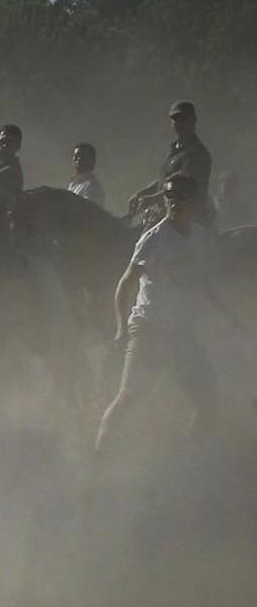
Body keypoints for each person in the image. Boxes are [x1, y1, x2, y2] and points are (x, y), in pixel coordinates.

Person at [95, 173, 241, 451]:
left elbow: (201, 282)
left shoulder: (197, 236)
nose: (175, 203)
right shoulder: (154, 238)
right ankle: (98, 461)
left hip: (179, 334)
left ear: (193, 202)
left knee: (207, 400)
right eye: (170, 198)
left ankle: (187, 458)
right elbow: (125, 284)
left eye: (181, 198)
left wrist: (227, 314)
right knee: (127, 397)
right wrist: (121, 329)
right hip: (148, 329)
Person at [129, 101, 213, 225]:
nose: (179, 123)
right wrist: (144, 192)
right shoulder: (173, 150)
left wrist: (153, 198)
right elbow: (165, 180)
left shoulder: (197, 153)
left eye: (183, 119)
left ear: (193, 121)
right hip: (169, 216)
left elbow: (186, 185)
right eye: (175, 119)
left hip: (190, 221)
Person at [67, 142, 105, 208]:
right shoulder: (73, 184)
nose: (78, 159)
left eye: (83, 156)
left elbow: (89, 211)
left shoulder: (93, 185)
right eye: (76, 156)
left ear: (92, 161)